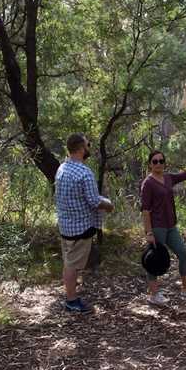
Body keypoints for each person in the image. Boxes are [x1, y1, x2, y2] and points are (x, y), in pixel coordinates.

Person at [140, 150, 186, 305]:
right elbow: (145, 210)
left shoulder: (168, 178)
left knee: (183, 254)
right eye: (155, 161)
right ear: (149, 164)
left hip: (171, 226)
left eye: (161, 161)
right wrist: (149, 232)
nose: (158, 164)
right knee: (154, 261)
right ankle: (154, 295)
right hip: (157, 227)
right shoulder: (148, 183)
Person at [55, 133, 113, 313]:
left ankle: (71, 296)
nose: (89, 147)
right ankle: (71, 301)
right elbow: (94, 202)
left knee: (69, 262)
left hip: (65, 226)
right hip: (80, 228)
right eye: (88, 144)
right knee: (72, 265)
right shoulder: (84, 173)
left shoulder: (62, 168)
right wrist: (109, 205)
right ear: (81, 148)